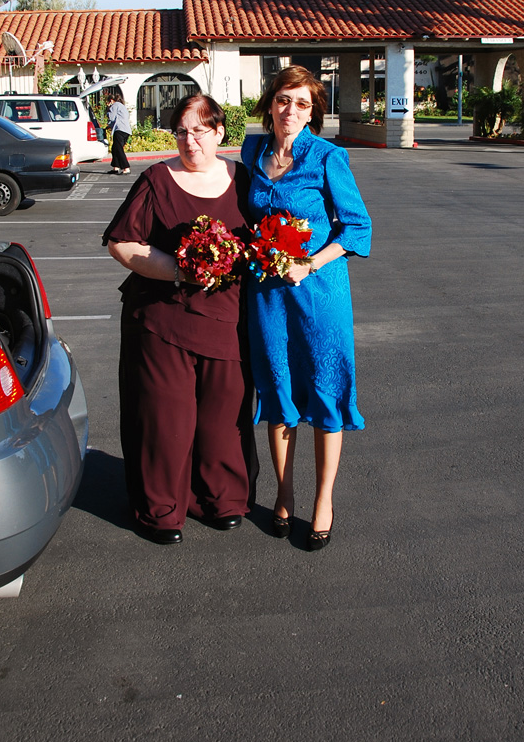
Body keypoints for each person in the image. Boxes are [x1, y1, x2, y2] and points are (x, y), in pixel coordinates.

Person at [103, 94, 257, 544]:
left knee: (222, 418)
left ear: (220, 133)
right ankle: (161, 509)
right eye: (182, 132)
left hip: (228, 320)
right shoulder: (155, 180)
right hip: (162, 321)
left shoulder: (243, 180)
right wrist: (180, 270)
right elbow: (122, 244)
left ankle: (221, 499)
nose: (191, 141)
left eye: (200, 131)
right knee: (164, 419)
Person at [241, 66, 371, 551]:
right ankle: (284, 492)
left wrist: (309, 263)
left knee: (324, 387)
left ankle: (323, 500)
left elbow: (357, 228)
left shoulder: (328, 157)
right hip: (268, 295)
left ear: (314, 109)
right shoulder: (253, 151)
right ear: (269, 104)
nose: (290, 110)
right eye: (282, 100)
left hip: (319, 294)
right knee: (277, 386)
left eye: (301, 103)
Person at [107, 91, 131, 174]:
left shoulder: (114, 105)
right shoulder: (122, 106)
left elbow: (112, 117)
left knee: (118, 149)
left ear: (111, 100)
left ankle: (126, 167)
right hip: (126, 130)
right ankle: (116, 167)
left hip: (119, 129)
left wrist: (108, 111)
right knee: (115, 148)